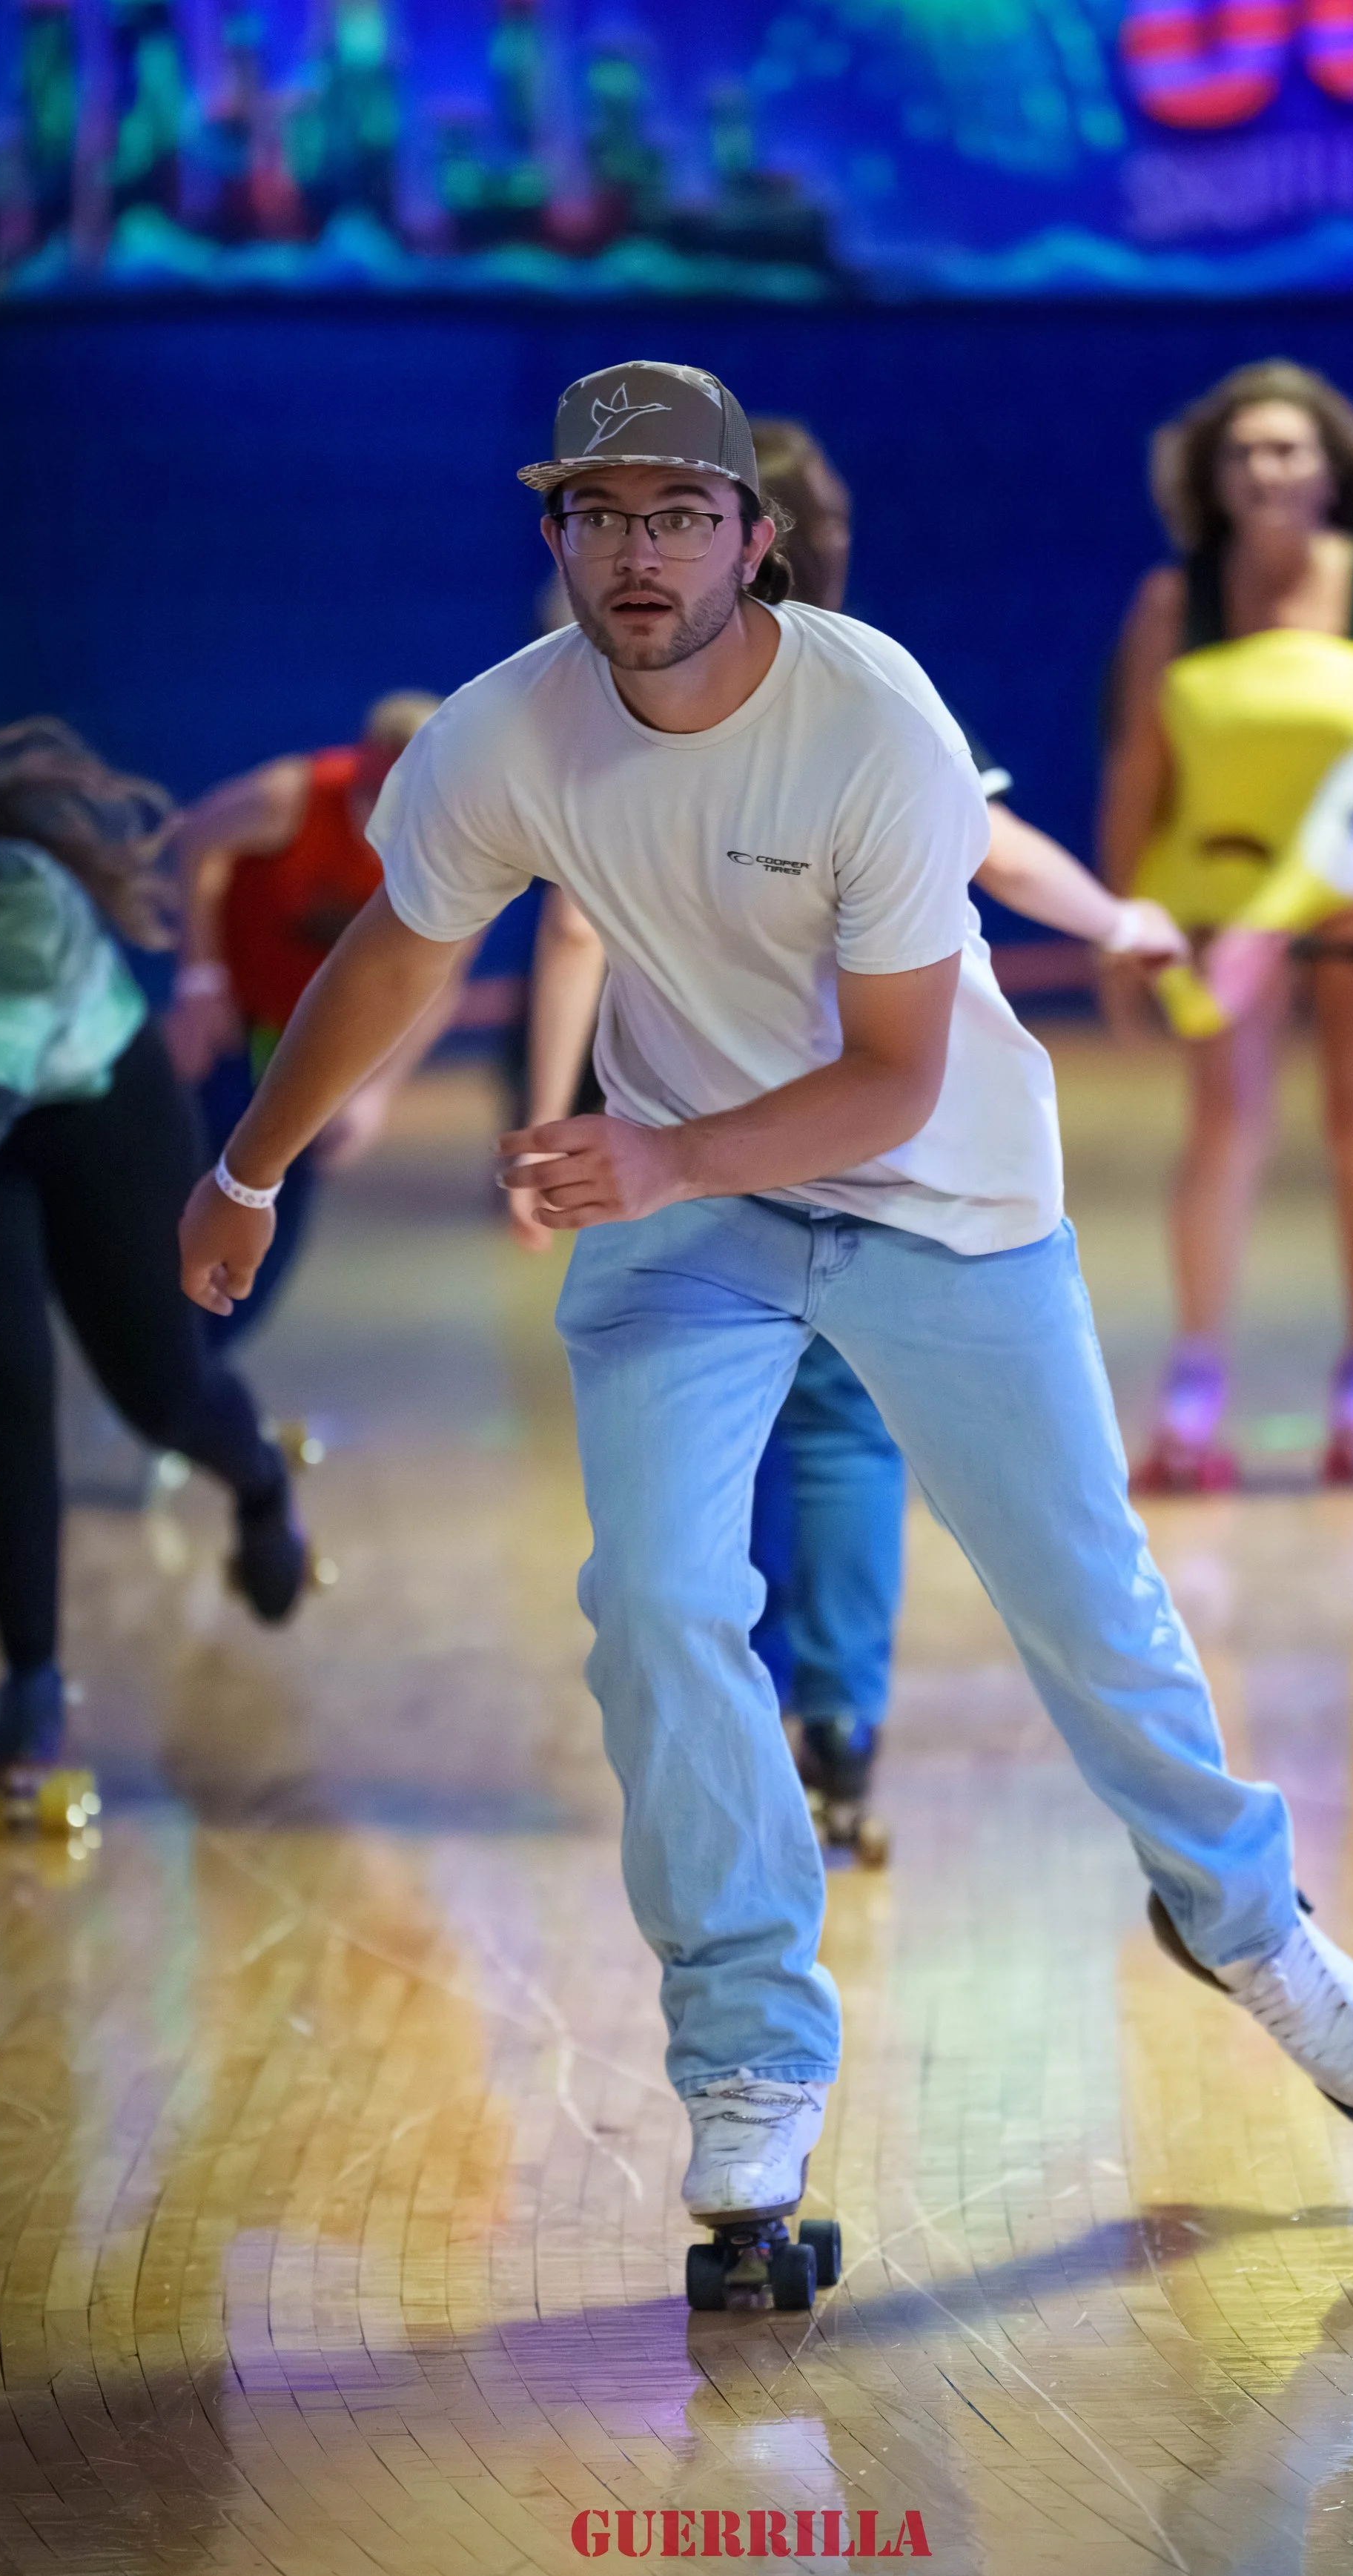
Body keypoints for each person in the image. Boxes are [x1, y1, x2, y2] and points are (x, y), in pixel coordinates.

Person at [180, 361, 1353, 2235]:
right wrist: (245, 1163)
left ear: (754, 542)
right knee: (661, 1606)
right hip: (695, 1219)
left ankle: (1247, 1924)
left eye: (680, 515)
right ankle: (748, 2052)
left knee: (1086, 1600)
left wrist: (656, 1155)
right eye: (600, 516)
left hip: (943, 1196)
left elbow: (896, 1079)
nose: (638, 553)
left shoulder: (872, 719)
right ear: (556, 540)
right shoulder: (502, 732)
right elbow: (397, 948)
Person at [509, 413, 1186, 1856]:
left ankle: (742, 1732)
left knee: (718, 1437)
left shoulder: (634, 712)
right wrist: (1117, 916)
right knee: (838, 1435)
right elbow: (997, 850)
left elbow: (572, 925)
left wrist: (557, 1107)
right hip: (881, 1160)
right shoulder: (875, 702)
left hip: (723, 1142)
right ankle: (843, 1739)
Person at [0, 716, 311, 1812]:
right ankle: (31, 1679)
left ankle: (260, 1481)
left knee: (160, 1392)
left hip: (94, 1115)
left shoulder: (28, 908)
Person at [1100, 363, 1353, 1492]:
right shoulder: (1178, 602)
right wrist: (1124, 919)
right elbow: (1140, 768)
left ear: (1329, 468)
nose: (1265, 469)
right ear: (1213, 476)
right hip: (1224, 901)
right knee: (1226, 1128)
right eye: (1243, 452)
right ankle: (1195, 1381)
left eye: (1287, 449)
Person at [164, 690, 446, 1341]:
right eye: (383, 770)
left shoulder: (446, 842)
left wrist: (376, 1094)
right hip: (239, 1030)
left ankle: (203, 1379)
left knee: (279, 1235)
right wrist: (199, 978)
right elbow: (197, 838)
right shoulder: (291, 798)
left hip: (324, 1049)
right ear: (365, 758)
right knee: (204, 1192)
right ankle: (181, 1378)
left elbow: (439, 985)